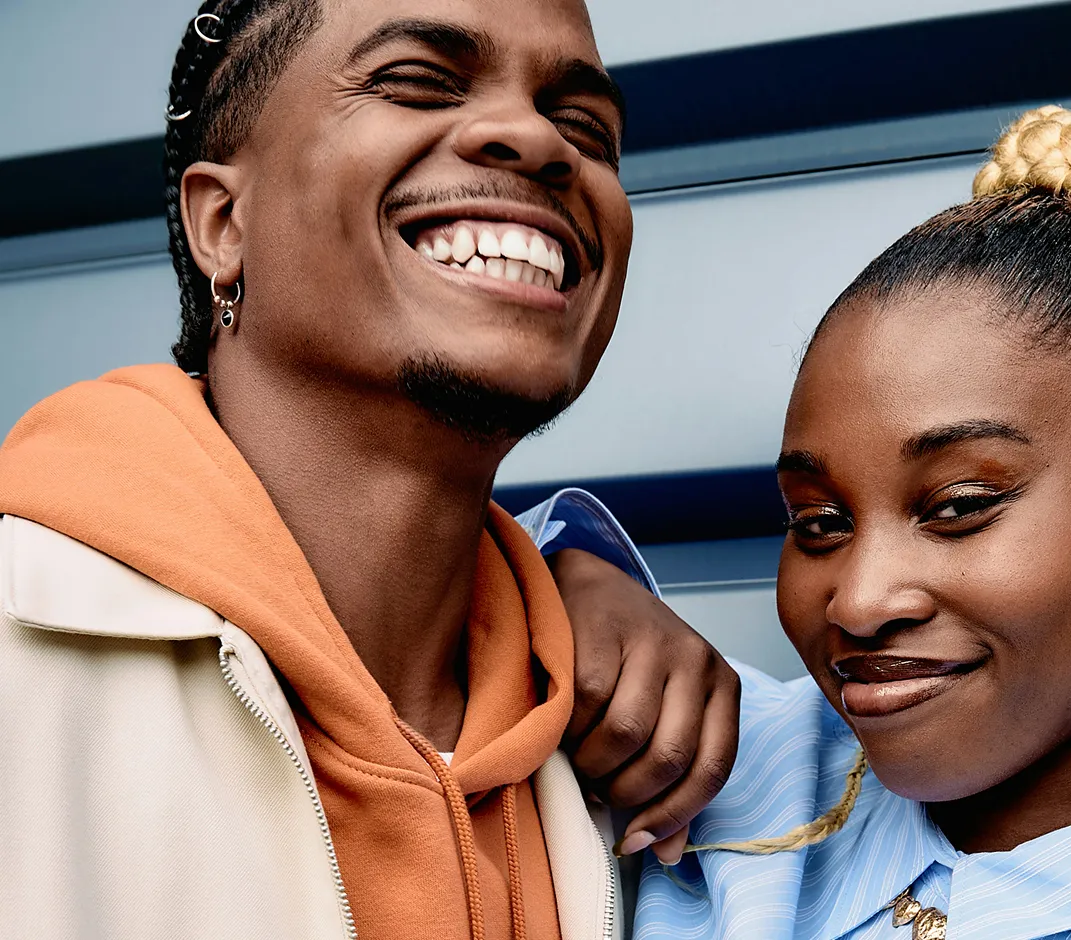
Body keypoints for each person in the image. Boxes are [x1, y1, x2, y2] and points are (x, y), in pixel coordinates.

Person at [0, 2, 741, 939]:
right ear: (224, 223)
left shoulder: (657, 757)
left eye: (586, 128)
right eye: (417, 82)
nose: (538, 140)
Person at [552, 107, 1071, 938]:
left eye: (959, 507)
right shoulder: (718, 768)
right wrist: (559, 586)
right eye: (818, 522)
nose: (857, 603)